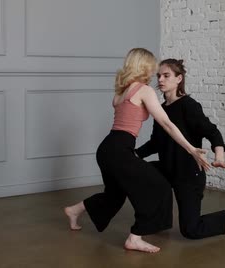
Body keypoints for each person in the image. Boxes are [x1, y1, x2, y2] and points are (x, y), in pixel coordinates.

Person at [63, 48, 209, 253]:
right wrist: (191, 148)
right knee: (159, 186)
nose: (153, 74)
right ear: (143, 66)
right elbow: (166, 124)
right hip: (119, 149)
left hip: (106, 149)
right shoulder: (144, 90)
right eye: (151, 68)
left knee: (114, 194)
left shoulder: (120, 92)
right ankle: (135, 236)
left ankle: (74, 210)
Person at [134, 58, 225, 239]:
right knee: (137, 173)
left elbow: (213, 132)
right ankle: (157, 220)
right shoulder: (161, 109)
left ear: (179, 79)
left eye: (166, 75)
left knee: (191, 230)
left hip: (188, 174)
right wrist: (135, 154)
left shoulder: (189, 106)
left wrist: (219, 157)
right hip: (167, 169)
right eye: (159, 76)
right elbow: (156, 142)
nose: (160, 80)